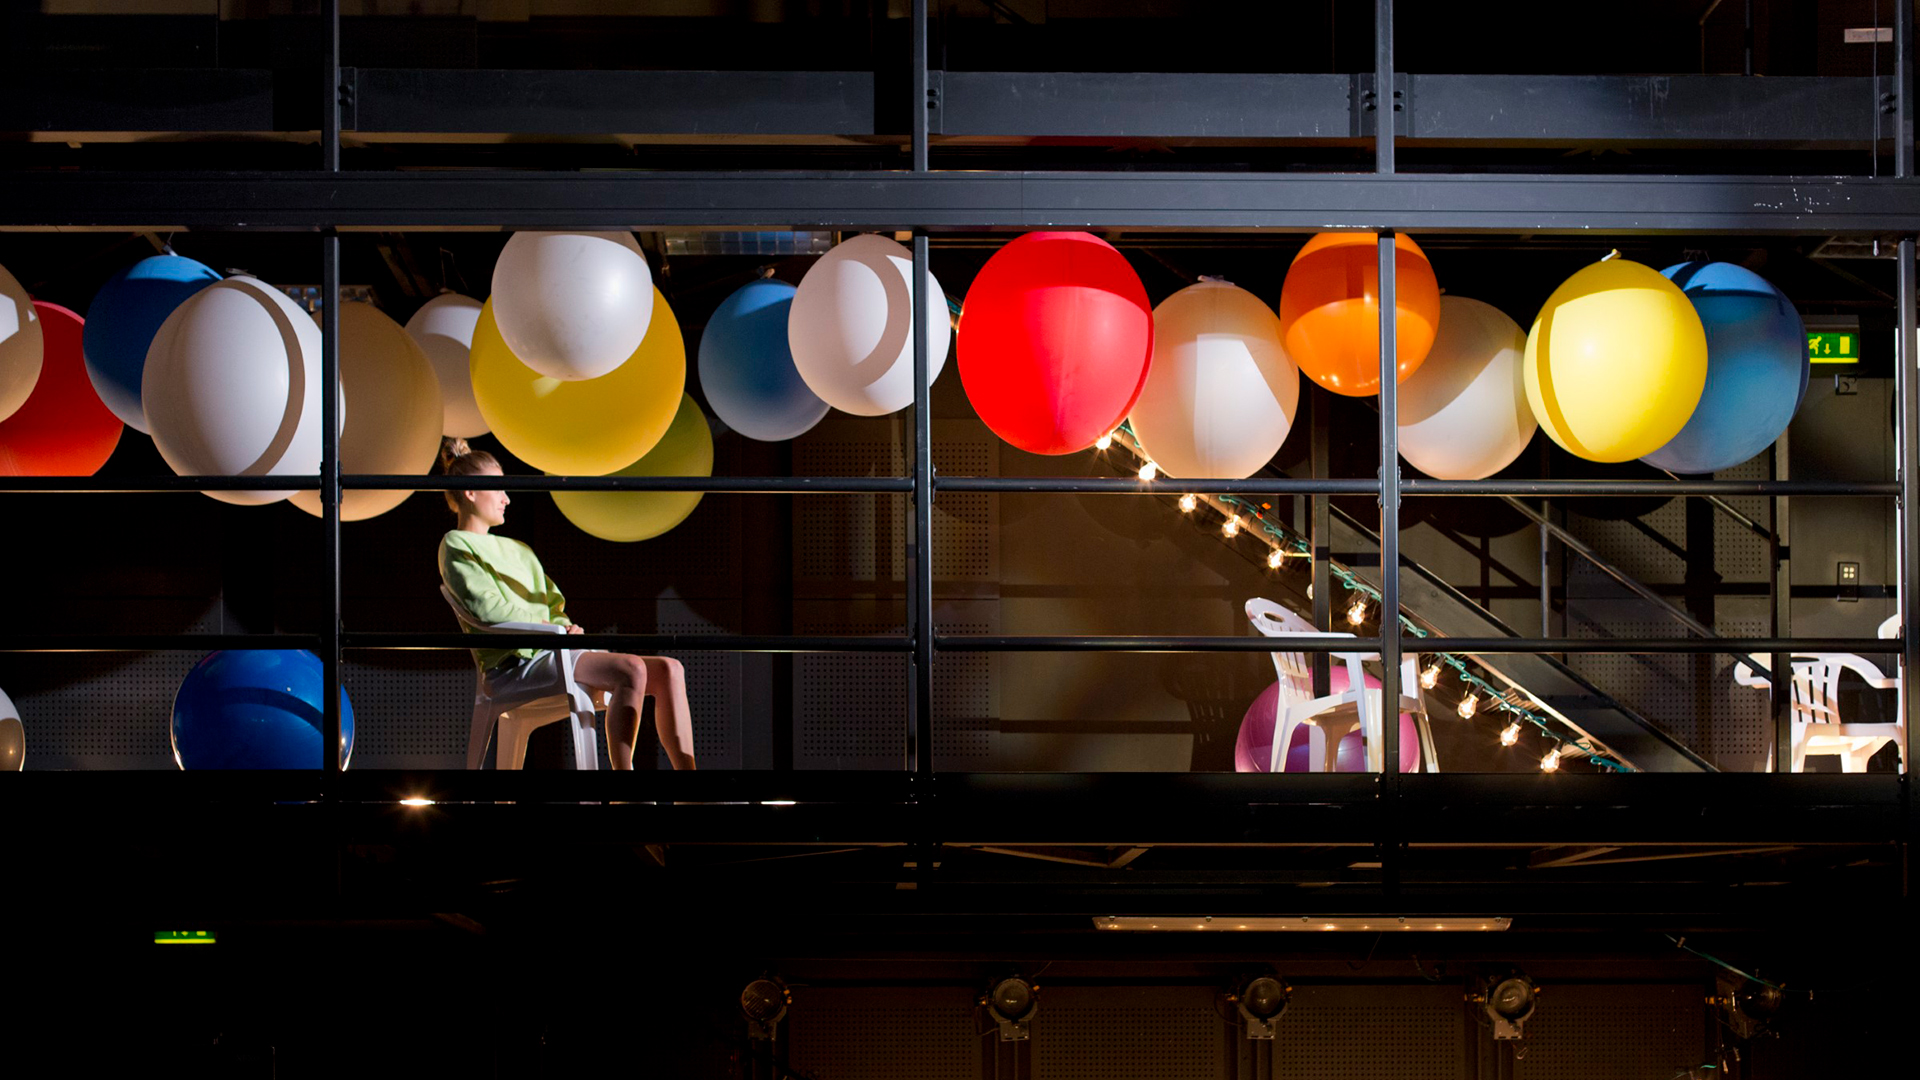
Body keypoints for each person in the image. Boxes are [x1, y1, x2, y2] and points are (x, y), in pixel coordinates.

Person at [436, 438, 696, 771]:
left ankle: (691, 785)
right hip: (513, 664)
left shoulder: (520, 550)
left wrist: (565, 625)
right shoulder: (455, 544)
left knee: (670, 669)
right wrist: (548, 628)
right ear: (470, 492)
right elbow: (485, 608)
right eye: (498, 488)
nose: (507, 498)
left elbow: (552, 602)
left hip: (552, 648)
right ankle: (624, 787)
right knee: (632, 669)